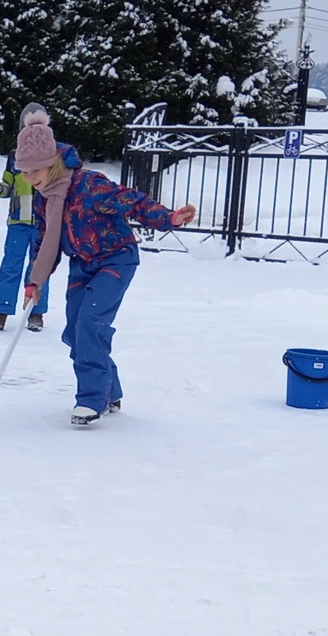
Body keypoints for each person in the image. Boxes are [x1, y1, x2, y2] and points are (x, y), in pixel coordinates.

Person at [12, 120, 196, 428]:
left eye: (36, 172)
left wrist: (168, 218)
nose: (32, 180)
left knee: (90, 323)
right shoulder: (46, 199)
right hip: (82, 264)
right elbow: (45, 241)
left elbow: (133, 202)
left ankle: (91, 399)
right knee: (75, 332)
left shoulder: (90, 186)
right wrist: (35, 281)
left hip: (116, 259)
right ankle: (112, 392)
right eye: (25, 173)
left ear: (53, 163)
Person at [0, 105, 68, 334]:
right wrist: (0, 189)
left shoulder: (53, 156)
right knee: (10, 266)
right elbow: (9, 183)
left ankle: (35, 313)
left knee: (39, 267)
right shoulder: (14, 156)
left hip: (43, 222)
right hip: (18, 221)